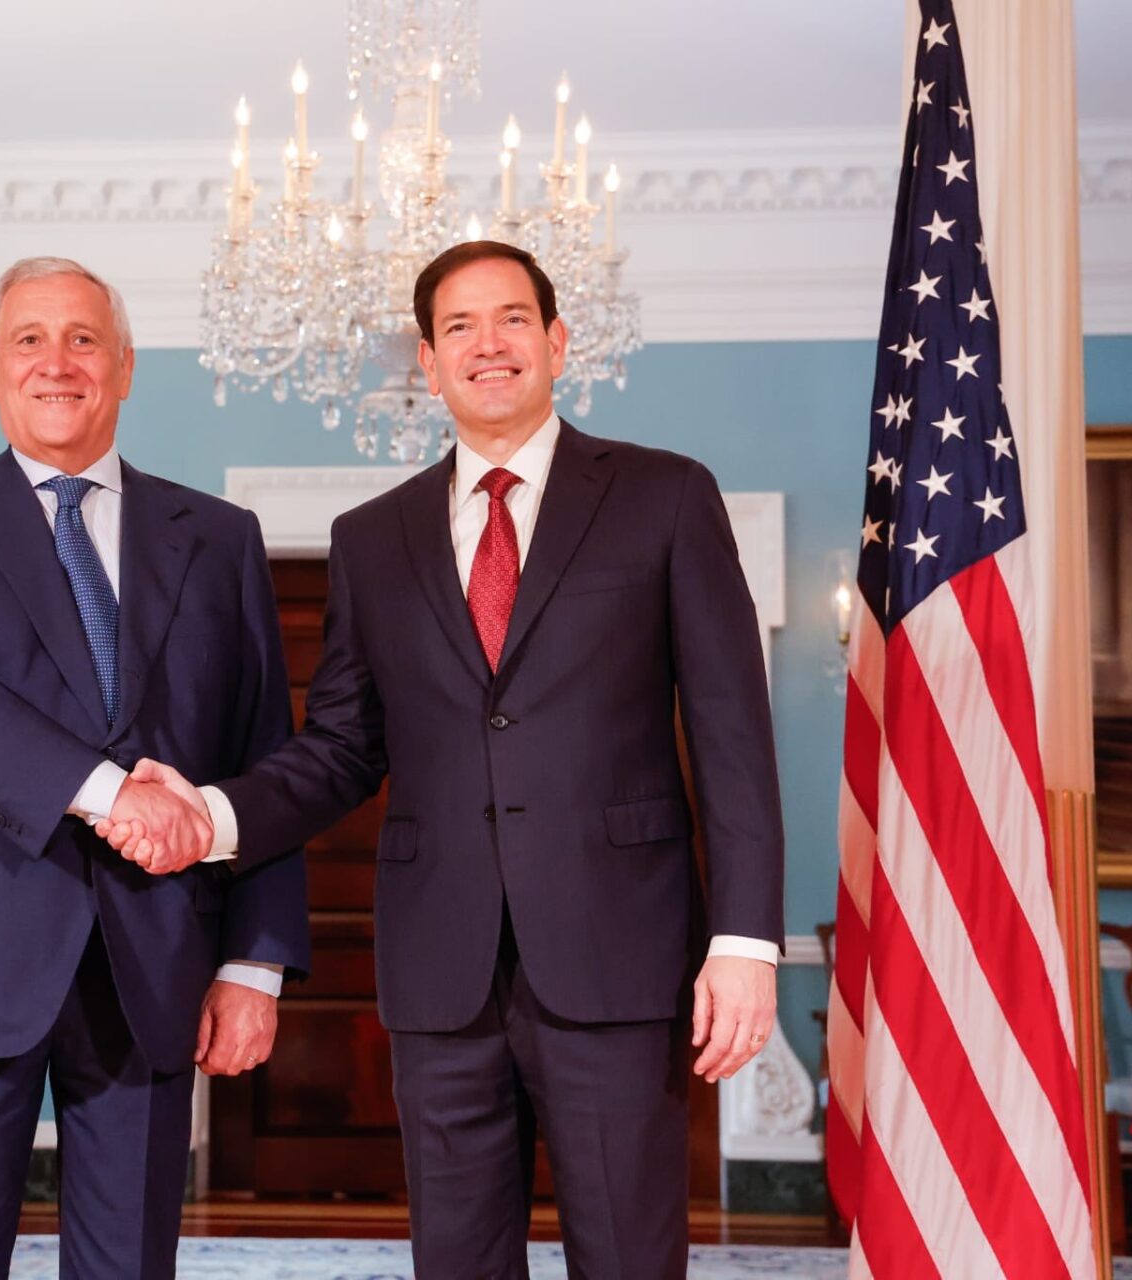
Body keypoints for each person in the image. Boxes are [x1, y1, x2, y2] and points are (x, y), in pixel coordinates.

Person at [104, 241, 784, 1279]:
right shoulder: (372, 539)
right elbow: (341, 748)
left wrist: (745, 941)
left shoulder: (667, 496)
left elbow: (734, 734)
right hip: (440, 971)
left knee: (630, 1259)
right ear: (427, 362)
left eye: (512, 318)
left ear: (557, 341)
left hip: (620, 955)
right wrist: (210, 812)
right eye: (460, 326)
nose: (488, 344)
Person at [0, 256, 309, 1278]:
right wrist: (114, 796)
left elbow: (263, 753)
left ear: (126, 366)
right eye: (29, 340)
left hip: (158, 954)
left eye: (83, 339)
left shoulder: (220, 537)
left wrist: (254, 962)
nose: (56, 362)